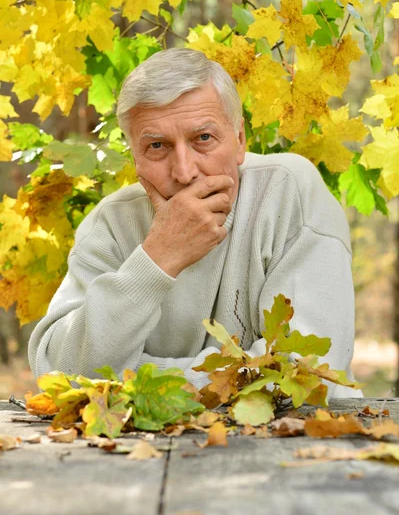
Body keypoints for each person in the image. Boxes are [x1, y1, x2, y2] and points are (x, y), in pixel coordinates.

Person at [28, 48, 362, 398]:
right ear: (135, 157)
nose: (185, 172)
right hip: (140, 448)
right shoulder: (111, 222)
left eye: (203, 138)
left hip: (299, 447)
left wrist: (140, 382)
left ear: (240, 141)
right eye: (157, 145)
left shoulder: (289, 192)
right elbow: (60, 374)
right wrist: (158, 258)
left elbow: (306, 371)